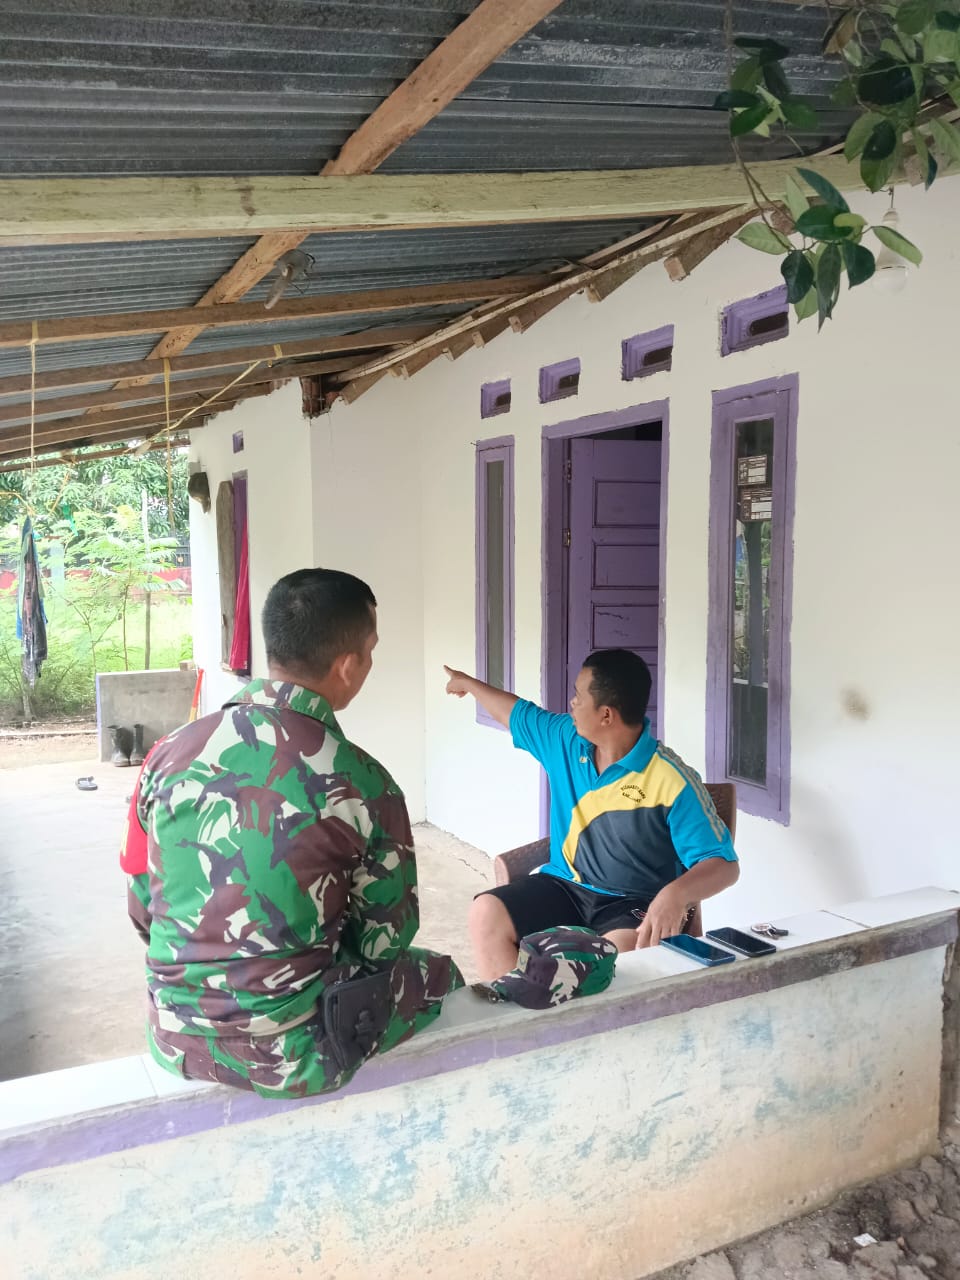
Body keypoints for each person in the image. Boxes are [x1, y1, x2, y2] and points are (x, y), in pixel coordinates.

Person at [123, 568, 462, 1099]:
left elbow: (144, 906)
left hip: (173, 1038)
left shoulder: (167, 755)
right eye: (370, 651)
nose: (369, 664)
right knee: (440, 976)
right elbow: (383, 942)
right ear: (347, 665)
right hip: (297, 1053)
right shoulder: (363, 782)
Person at [444, 649, 739, 981]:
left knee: (621, 955)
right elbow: (514, 712)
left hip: (630, 903)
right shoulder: (565, 740)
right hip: (563, 887)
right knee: (486, 912)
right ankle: (515, 1009)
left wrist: (676, 895)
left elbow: (723, 865)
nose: (572, 703)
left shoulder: (672, 779)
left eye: (579, 696)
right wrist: (469, 684)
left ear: (606, 715)